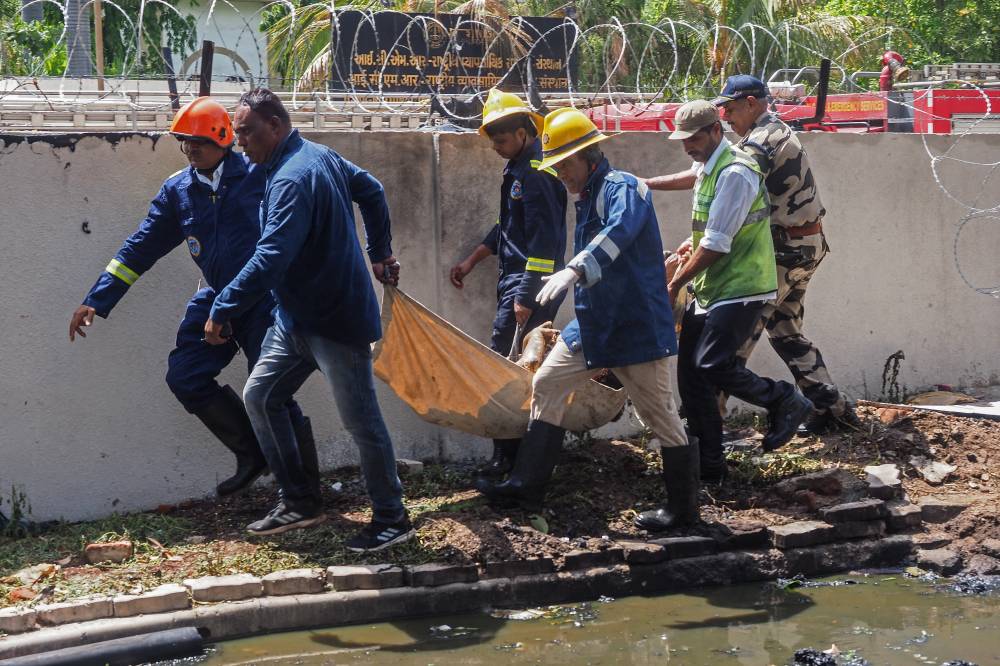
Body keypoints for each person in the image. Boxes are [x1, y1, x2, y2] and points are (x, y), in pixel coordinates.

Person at [69, 97, 316, 499]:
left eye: (197, 141)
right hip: (215, 298)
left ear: (223, 138)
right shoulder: (178, 190)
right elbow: (140, 248)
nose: (189, 149)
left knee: (272, 392)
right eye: (183, 141)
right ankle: (254, 455)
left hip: (263, 300)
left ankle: (306, 493)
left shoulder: (260, 174)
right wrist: (97, 298)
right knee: (185, 375)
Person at [204, 89, 411, 551]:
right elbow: (372, 191)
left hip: (336, 320)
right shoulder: (311, 157)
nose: (240, 144)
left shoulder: (294, 177)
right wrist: (380, 253)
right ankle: (299, 500)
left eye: (247, 133)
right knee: (261, 396)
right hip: (295, 318)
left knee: (362, 422)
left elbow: (272, 256)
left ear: (275, 126)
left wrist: (223, 306)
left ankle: (393, 518)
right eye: (236, 135)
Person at [477, 108, 699, 532]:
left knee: (661, 417)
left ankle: (684, 511)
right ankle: (527, 484)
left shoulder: (624, 188)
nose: (561, 175)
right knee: (547, 383)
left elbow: (618, 232)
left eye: (564, 165)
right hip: (594, 322)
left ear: (587, 156)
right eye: (556, 167)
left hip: (634, 325)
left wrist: (574, 269)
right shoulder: (586, 195)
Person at [645, 75, 860, 435]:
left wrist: (692, 243)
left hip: (783, 252)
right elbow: (700, 175)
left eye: (730, 108)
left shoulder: (759, 144)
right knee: (786, 330)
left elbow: (729, 201)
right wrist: (645, 184)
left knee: (734, 337)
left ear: (751, 103)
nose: (726, 117)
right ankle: (834, 409)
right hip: (804, 246)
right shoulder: (766, 134)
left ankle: (706, 423)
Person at [664, 100, 814, 487]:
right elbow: (709, 228)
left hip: (743, 285)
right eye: (683, 140)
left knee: (713, 365)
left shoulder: (735, 172)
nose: (687, 146)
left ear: (716, 130)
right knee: (693, 380)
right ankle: (710, 469)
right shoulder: (709, 167)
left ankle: (783, 398)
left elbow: (716, 243)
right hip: (714, 287)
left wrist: (676, 283)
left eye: (694, 138)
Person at [449, 88, 568, 481]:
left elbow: (543, 242)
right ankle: (518, 455)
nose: (496, 147)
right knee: (517, 368)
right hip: (518, 280)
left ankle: (511, 459)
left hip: (530, 284)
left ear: (523, 132)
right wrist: (472, 260)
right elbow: (509, 228)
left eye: (501, 139)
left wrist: (525, 296)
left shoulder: (536, 173)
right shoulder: (518, 169)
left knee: (509, 370)